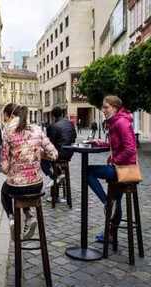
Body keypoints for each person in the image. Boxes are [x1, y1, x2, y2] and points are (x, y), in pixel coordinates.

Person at [1, 104, 58, 240]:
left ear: (12, 116)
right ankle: (29, 216)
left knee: (5, 190)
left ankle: (12, 218)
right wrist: (38, 153)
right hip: (36, 185)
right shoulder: (37, 129)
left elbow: (4, 167)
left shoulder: (7, 131)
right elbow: (54, 154)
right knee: (26, 189)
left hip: (16, 187)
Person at [87, 95, 137, 242]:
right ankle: (110, 233)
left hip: (124, 168)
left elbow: (130, 149)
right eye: (103, 107)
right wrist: (99, 143)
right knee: (117, 198)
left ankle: (107, 202)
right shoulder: (115, 122)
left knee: (88, 171)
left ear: (115, 108)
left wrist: (115, 160)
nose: (103, 110)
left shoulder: (121, 123)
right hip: (121, 167)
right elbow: (115, 145)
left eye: (106, 107)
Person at [41, 106, 77, 188]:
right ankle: (58, 173)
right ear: (62, 113)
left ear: (53, 116)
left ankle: (55, 176)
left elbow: (50, 144)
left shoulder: (53, 126)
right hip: (70, 152)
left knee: (42, 159)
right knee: (50, 156)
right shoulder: (70, 123)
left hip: (59, 154)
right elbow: (74, 137)